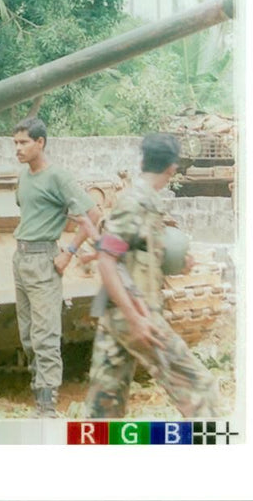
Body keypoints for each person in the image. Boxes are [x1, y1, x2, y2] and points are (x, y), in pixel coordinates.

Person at [83, 133, 220, 418]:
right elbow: (107, 261)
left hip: (118, 316)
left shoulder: (145, 202)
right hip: (136, 316)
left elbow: (132, 255)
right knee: (200, 387)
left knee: (104, 406)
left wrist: (178, 264)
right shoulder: (134, 203)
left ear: (143, 160)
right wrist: (138, 321)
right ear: (172, 168)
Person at [12, 117, 101, 417]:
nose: (18, 148)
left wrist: (70, 251)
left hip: (43, 259)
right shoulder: (24, 176)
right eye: (15, 143)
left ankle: (47, 405)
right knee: (27, 334)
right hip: (21, 258)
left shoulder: (58, 177)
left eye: (24, 142)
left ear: (41, 143)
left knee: (45, 334)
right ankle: (39, 390)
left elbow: (93, 213)